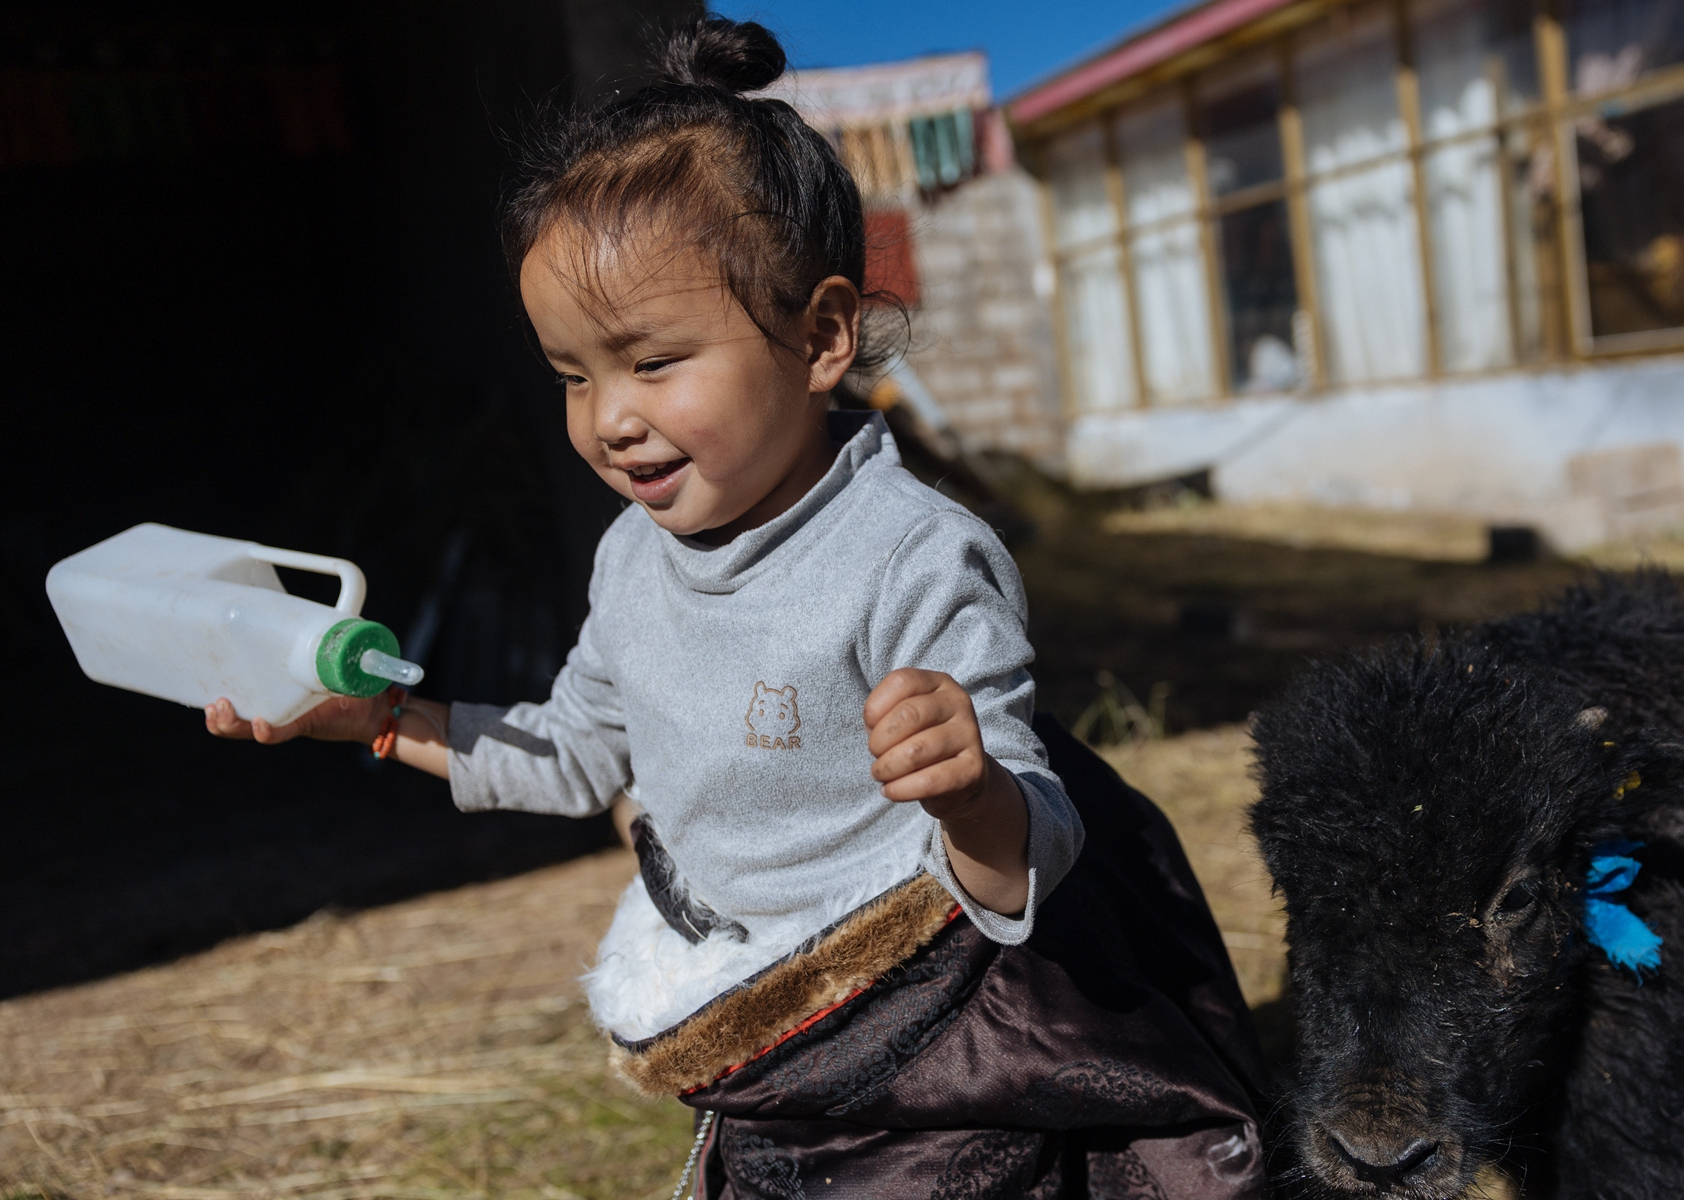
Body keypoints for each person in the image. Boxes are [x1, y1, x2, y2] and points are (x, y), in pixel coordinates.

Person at [207, 17, 1270, 1196]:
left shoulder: (910, 555)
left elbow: (1038, 847)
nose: (608, 417)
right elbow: (568, 757)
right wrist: (375, 724)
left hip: (927, 1054)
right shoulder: (630, 561)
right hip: (749, 1037)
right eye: (572, 375)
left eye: (652, 362)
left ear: (819, 337)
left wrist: (970, 792)